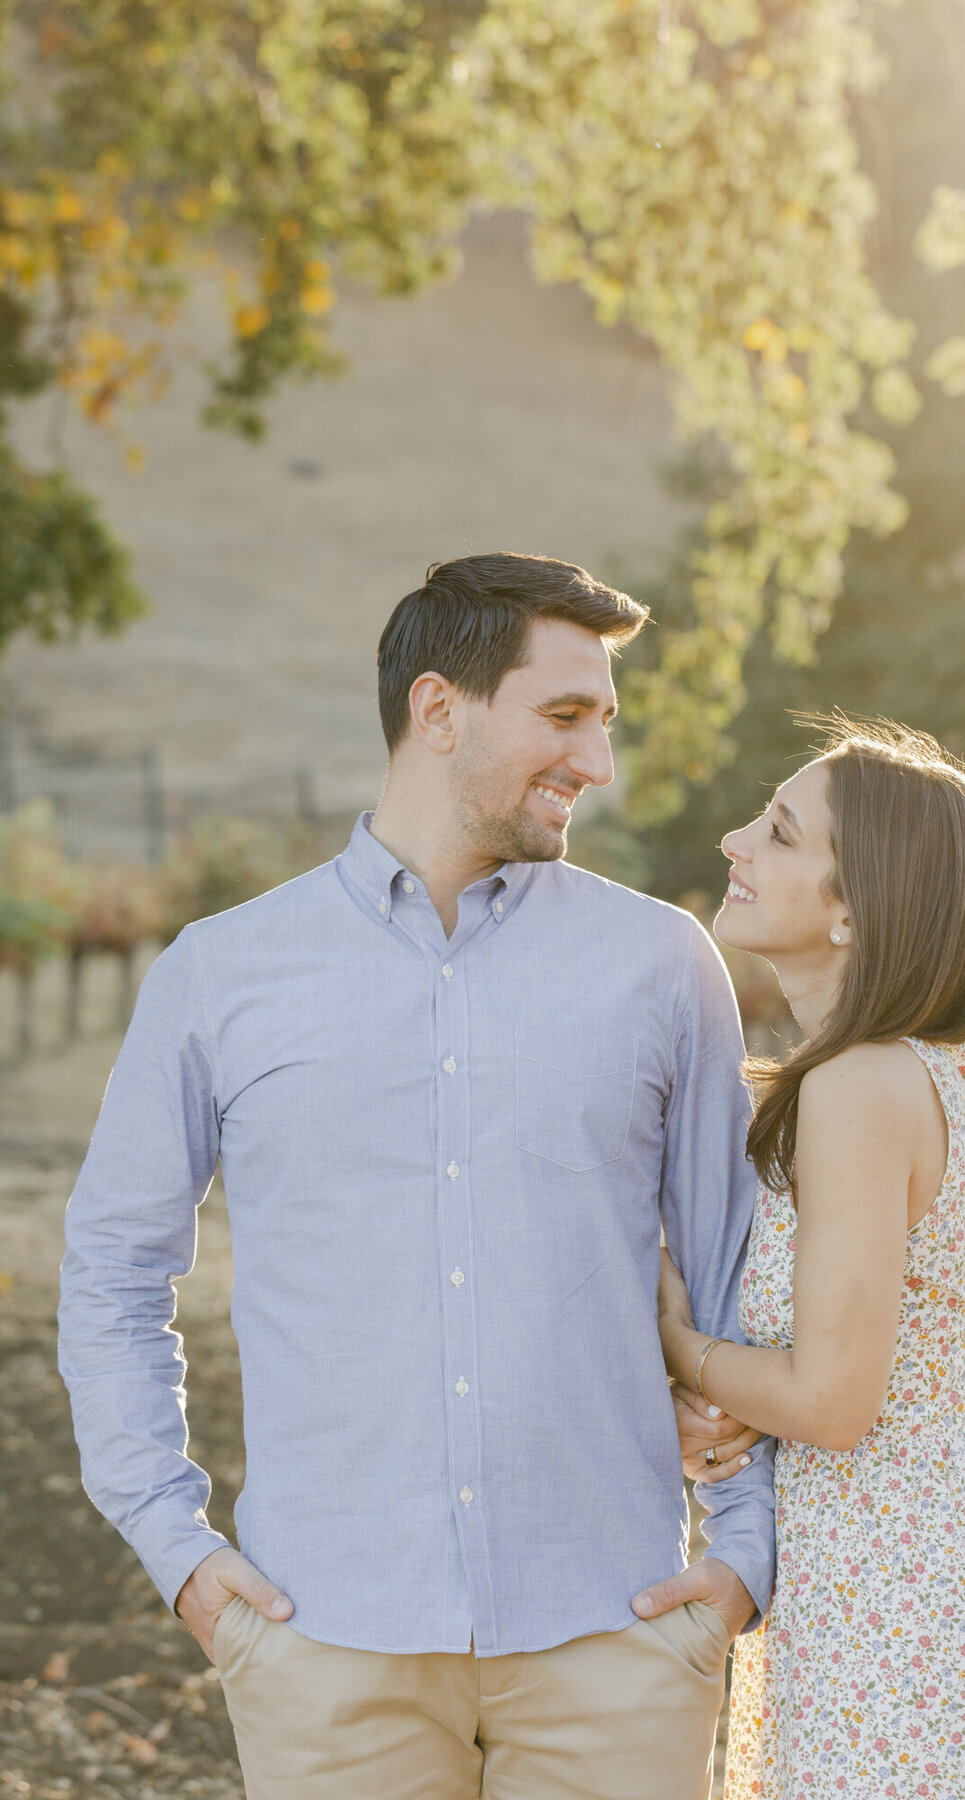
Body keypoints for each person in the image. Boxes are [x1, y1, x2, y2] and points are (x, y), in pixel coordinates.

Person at [58, 552, 775, 1800]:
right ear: (437, 709)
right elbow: (114, 1270)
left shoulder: (663, 966)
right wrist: (172, 1544)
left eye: (605, 724)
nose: (596, 764)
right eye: (565, 717)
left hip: (621, 1632)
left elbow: (735, 1275)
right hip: (326, 1646)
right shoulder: (222, 973)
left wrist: (745, 1557)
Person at [657, 718, 965, 1800]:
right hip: (875, 1597)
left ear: (854, 909)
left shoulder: (858, 1088)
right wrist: (728, 1397)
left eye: (781, 832)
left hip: (899, 1619)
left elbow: (833, 1401)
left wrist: (678, 1348)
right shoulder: (891, 1074)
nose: (737, 839)